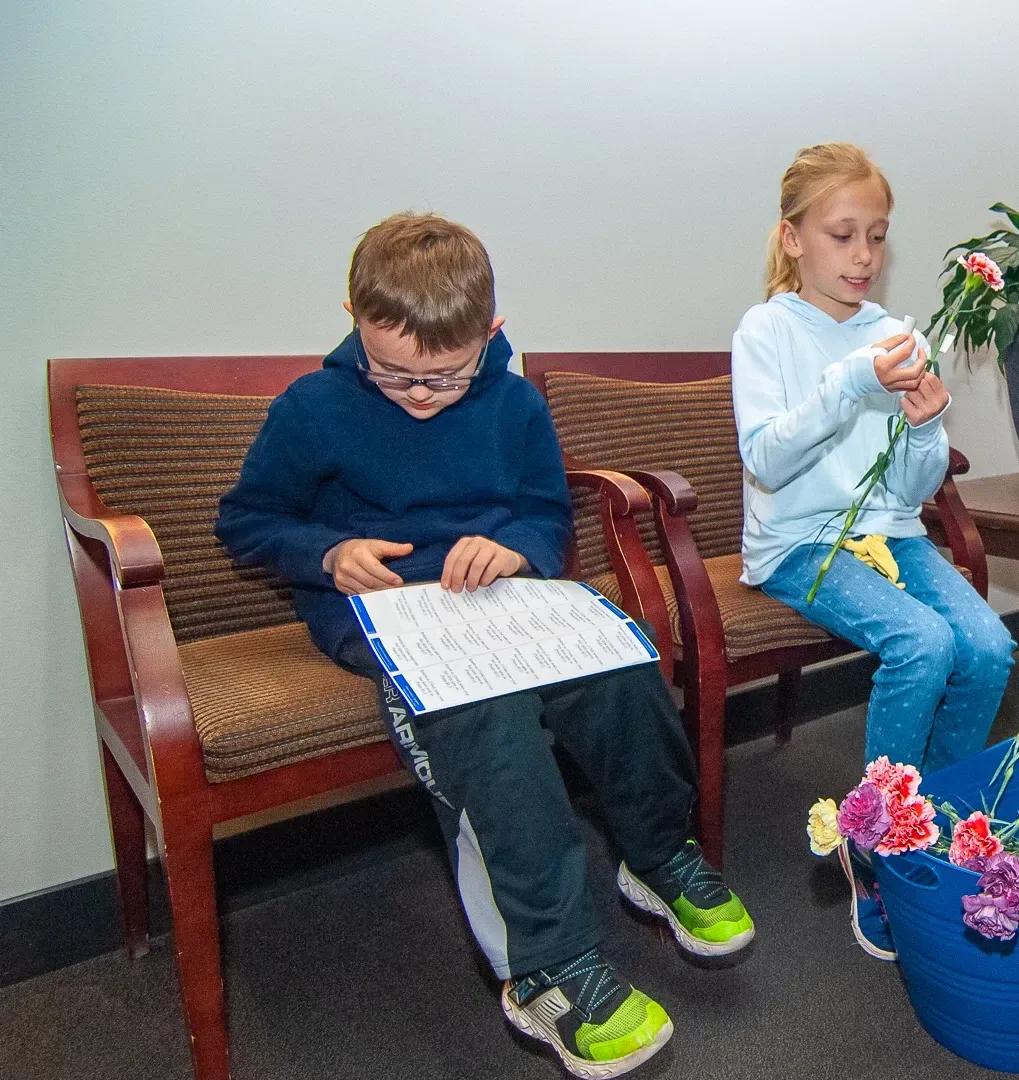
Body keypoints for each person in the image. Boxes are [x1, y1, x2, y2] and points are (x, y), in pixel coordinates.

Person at [216, 212, 753, 1078]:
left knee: (621, 665)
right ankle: (547, 966)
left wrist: (515, 548)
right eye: (395, 374)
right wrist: (324, 553)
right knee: (486, 717)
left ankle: (657, 857)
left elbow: (546, 513)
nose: (421, 395)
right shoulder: (312, 408)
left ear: (490, 335)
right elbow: (245, 521)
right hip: (386, 613)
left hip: (503, 598)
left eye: (447, 375)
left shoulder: (513, 401)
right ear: (353, 315)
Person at [731, 143, 1015, 961]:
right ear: (793, 238)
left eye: (877, 236)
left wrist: (925, 425)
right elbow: (767, 460)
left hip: (888, 532)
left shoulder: (894, 335)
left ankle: (938, 823)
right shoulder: (767, 332)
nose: (863, 256)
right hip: (799, 542)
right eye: (842, 234)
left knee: (990, 645)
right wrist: (852, 385)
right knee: (922, 644)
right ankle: (875, 846)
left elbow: (915, 482)